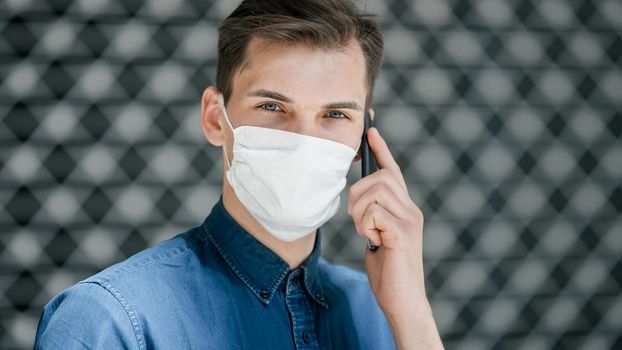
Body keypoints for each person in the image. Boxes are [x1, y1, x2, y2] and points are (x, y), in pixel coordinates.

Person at [34, 0, 443, 349]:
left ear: (363, 141)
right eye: (272, 107)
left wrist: (413, 316)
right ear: (216, 118)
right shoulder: (109, 321)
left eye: (335, 114)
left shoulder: (384, 314)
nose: (303, 139)